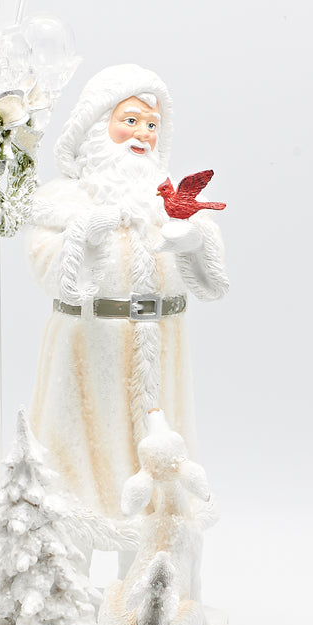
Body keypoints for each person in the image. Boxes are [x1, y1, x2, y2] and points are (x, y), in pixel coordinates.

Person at [25, 64, 229, 519]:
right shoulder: (64, 202)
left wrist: (195, 241)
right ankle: (74, 552)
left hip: (163, 354)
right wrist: (84, 235)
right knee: (80, 471)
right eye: (131, 120)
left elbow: (211, 279)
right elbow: (49, 269)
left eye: (152, 125)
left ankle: (152, 557)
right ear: (98, 126)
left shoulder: (167, 204)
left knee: (159, 472)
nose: (143, 134)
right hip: (88, 350)